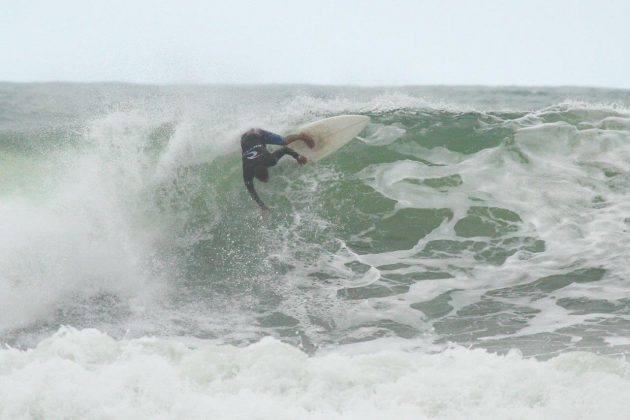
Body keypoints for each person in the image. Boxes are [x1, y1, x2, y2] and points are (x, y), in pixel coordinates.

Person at [241, 128, 314, 210]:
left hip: (257, 133)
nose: (266, 180)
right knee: (263, 148)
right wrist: (262, 206)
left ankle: (301, 136)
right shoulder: (247, 170)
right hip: (244, 138)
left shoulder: (270, 160)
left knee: (284, 142)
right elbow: (252, 192)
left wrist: (298, 156)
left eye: (265, 178)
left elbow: (285, 149)